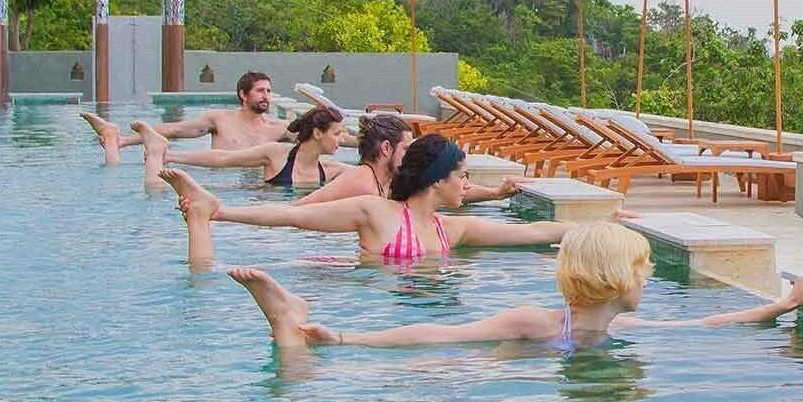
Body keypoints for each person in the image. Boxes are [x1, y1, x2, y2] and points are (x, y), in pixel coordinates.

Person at [228, 220, 803, 354]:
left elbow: (702, 325)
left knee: (293, 360)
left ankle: (290, 323)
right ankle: (303, 326)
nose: (648, 278)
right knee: (303, 363)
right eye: (643, 268)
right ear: (617, 278)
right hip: (471, 375)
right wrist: (348, 337)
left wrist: (781, 305)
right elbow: (442, 332)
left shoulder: (619, 328)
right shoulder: (538, 322)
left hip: (519, 372)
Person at [160, 132, 621, 269]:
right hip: (361, 296)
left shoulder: (452, 230)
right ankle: (205, 217)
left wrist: (610, 224)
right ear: (438, 180)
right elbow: (292, 217)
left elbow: (535, 234)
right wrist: (222, 210)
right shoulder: (376, 212)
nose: (467, 186)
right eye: (462, 177)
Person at [298, 114, 524, 207]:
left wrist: (495, 194)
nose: (412, 154)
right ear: (387, 148)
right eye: (406, 148)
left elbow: (441, 184)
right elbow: (300, 210)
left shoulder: (387, 181)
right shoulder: (361, 182)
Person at [133, 105, 348, 194]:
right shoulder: (276, 154)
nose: (342, 139)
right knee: (155, 191)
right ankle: (157, 151)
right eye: (337, 133)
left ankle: (156, 150)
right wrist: (171, 156)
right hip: (260, 227)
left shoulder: (331, 170)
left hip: (286, 231)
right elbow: (224, 159)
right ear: (318, 133)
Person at [80, 71, 285, 162]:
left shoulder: (279, 129)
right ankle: (113, 137)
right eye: (260, 91)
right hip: (222, 185)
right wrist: (124, 141)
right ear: (243, 94)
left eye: (268, 91)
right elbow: (175, 130)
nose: (266, 96)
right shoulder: (220, 119)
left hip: (256, 188)